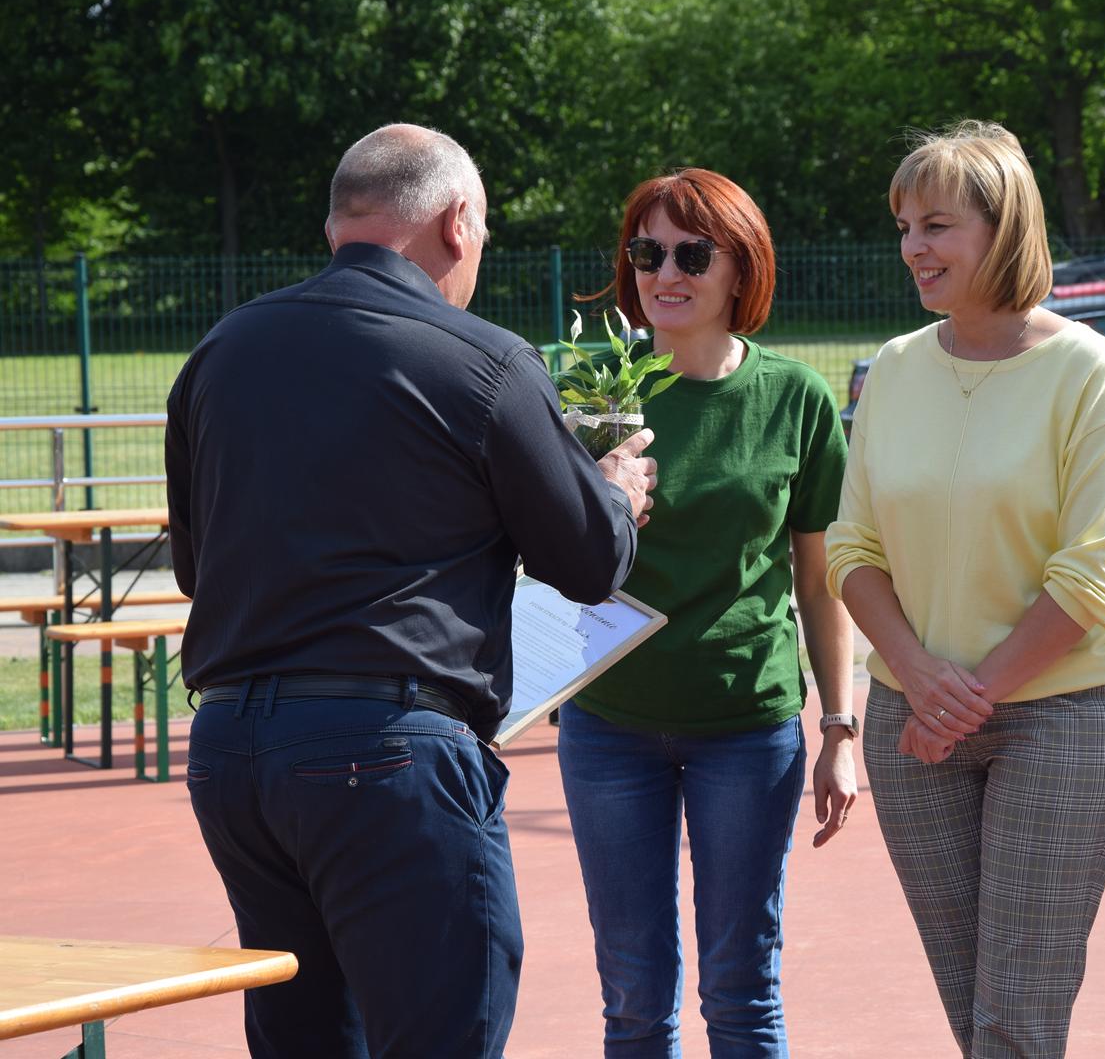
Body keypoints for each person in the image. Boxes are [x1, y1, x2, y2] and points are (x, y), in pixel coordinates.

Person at [167, 123, 655, 1058]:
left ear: (339, 223)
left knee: (302, 1037)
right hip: (387, 755)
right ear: (457, 221)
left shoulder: (223, 350)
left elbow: (200, 571)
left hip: (233, 752)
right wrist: (616, 495)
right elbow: (591, 563)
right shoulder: (480, 358)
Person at [825, 121, 1105, 1057]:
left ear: (1002, 230)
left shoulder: (1090, 370)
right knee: (974, 1013)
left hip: (1064, 715)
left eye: (936, 226)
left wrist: (962, 697)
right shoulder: (892, 368)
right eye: (904, 227)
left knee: (1017, 1016)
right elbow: (851, 546)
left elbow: (1092, 573)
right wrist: (918, 677)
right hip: (911, 719)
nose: (913, 249)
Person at [557, 167, 855, 1057]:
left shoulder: (796, 397)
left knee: (742, 989)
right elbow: (542, 564)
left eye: (693, 252)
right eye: (646, 251)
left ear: (742, 268)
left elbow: (820, 576)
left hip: (747, 729)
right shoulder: (591, 398)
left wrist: (839, 728)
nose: (665, 273)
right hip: (609, 725)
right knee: (635, 1000)